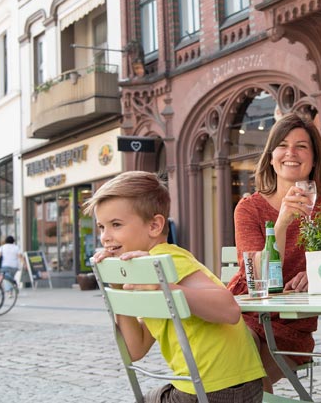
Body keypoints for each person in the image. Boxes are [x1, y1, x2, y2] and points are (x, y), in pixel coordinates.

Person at [87, 171, 265, 402]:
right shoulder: (144, 270)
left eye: (116, 225)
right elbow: (135, 349)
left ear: (154, 225)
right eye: (101, 227)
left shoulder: (166, 258)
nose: (105, 237)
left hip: (216, 389)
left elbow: (229, 310)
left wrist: (165, 288)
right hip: (228, 388)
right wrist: (118, 288)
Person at [227, 112, 321, 391]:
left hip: (291, 329)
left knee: (243, 381)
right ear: (271, 157)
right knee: (230, 367)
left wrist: (316, 273)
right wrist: (281, 222)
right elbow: (255, 275)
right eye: (282, 144)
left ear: (315, 158)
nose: (291, 152)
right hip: (245, 317)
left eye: (301, 146)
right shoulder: (249, 208)